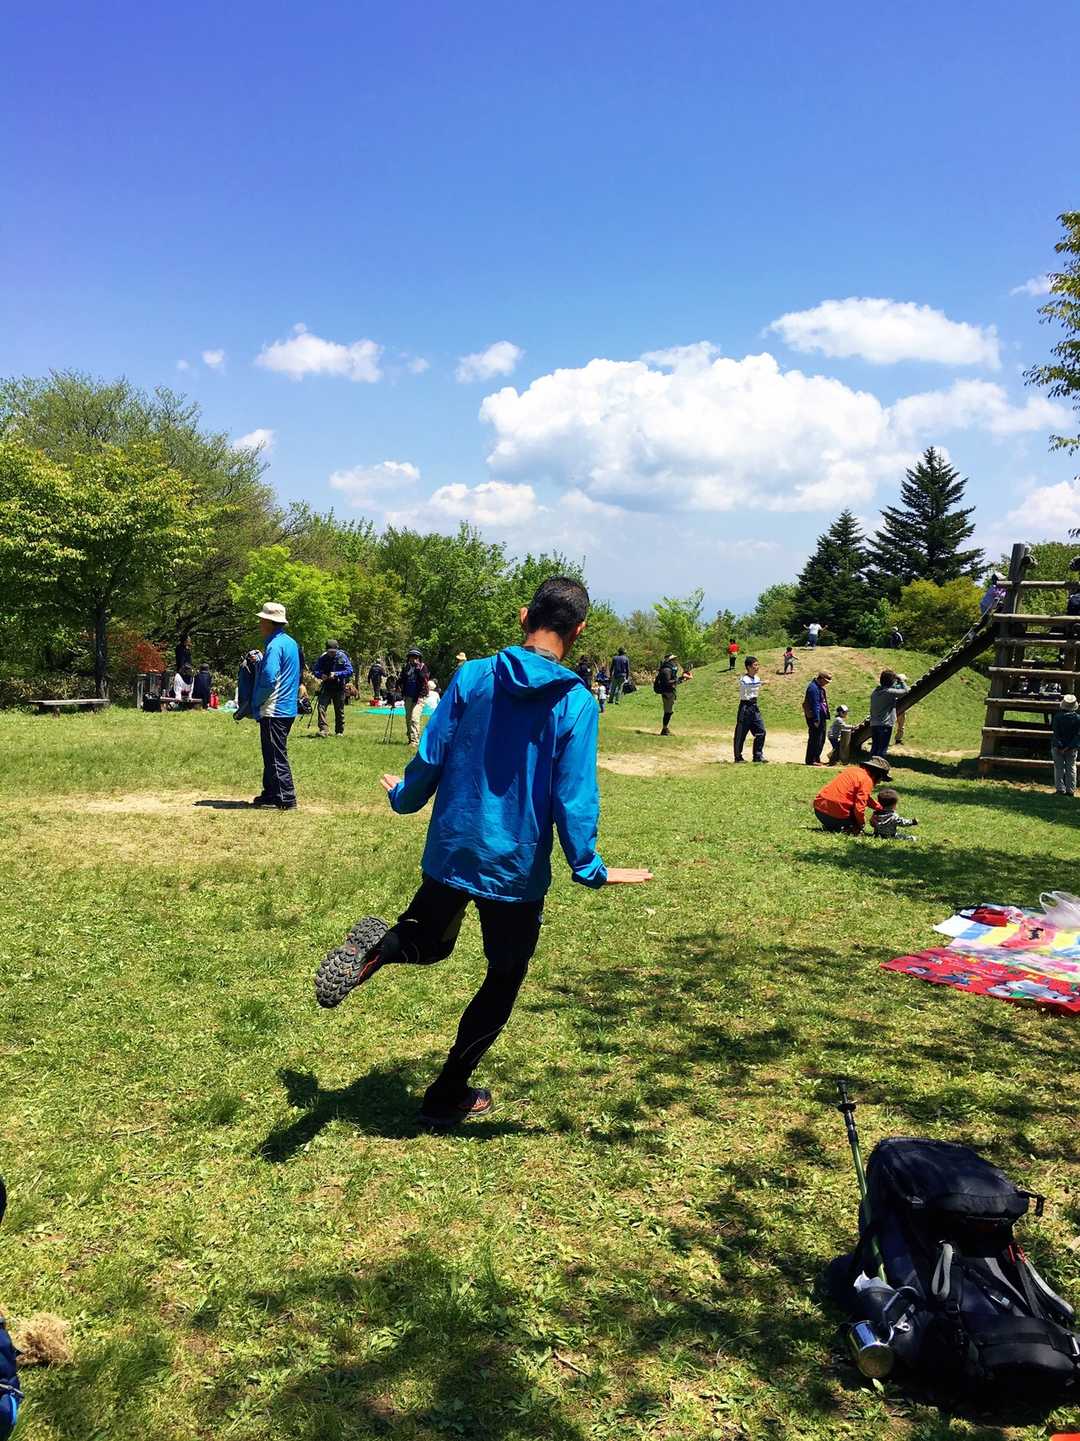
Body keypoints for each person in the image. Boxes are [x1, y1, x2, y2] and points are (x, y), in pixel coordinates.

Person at [314, 576, 653, 1127]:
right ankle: (448, 1092)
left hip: (454, 848)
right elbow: (574, 796)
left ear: (524, 617)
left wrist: (403, 798)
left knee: (427, 941)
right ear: (579, 631)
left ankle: (377, 951)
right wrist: (589, 867)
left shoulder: (472, 675)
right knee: (503, 977)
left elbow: (432, 753)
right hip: (515, 868)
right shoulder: (575, 701)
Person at [245, 601, 301, 810]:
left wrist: (256, 701)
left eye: (262, 620)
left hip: (274, 708)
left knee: (276, 755)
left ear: (269, 622)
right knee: (270, 754)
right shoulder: (290, 643)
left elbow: (269, 677)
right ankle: (270, 793)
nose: (260, 623)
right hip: (287, 707)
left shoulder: (274, 645)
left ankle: (286, 798)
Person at [812, 755, 890, 834]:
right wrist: (861, 824)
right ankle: (848, 828)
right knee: (855, 817)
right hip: (836, 814)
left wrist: (879, 807)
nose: (879, 782)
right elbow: (859, 808)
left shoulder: (852, 770)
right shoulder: (867, 780)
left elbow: (865, 797)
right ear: (878, 774)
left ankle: (832, 826)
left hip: (819, 809)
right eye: (881, 779)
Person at [313, 641, 354, 738]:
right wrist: (320, 675)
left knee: (339, 710)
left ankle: (339, 731)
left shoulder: (342, 657)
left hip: (339, 686)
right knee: (321, 707)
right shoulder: (323, 658)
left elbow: (350, 671)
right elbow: (315, 670)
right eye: (330, 651)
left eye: (334, 651)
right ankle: (323, 730)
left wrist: (336, 674)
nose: (332, 653)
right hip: (326, 686)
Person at [868, 669, 909, 758]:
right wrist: (901, 681)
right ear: (891, 682)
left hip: (874, 724)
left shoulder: (875, 691)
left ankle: (870, 763)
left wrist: (895, 680)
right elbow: (906, 690)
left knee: (875, 748)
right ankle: (879, 765)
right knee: (882, 750)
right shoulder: (889, 692)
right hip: (885, 725)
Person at [733, 655, 767, 762]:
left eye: (758, 665)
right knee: (741, 733)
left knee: (761, 731)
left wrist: (760, 682)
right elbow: (749, 685)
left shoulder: (757, 678)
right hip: (745, 707)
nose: (757, 667)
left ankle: (757, 756)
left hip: (754, 706)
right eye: (755, 665)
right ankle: (738, 757)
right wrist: (762, 683)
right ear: (748, 667)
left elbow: (756, 684)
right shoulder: (744, 679)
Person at [401, 648, 431, 746]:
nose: (413, 659)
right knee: (408, 718)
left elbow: (424, 678)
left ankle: (415, 741)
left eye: (415, 657)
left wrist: (418, 670)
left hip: (419, 697)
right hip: (408, 696)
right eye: (411, 657)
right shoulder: (406, 667)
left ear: (419, 658)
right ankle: (410, 739)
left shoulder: (423, 667)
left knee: (414, 717)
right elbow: (402, 679)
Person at [1052, 693, 1080, 797]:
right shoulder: (1078, 718)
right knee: (1071, 768)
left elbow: (1056, 733)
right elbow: (1078, 735)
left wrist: (1060, 746)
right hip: (1072, 747)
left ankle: (1060, 789)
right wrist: (1069, 746)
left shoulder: (1057, 717)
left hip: (1058, 747)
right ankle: (1071, 790)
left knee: (1058, 768)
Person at [803, 670, 831, 766]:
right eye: (826, 681)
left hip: (821, 716)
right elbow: (815, 705)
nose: (827, 683)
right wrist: (816, 719)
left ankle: (816, 758)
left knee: (821, 739)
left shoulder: (819, 688)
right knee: (814, 739)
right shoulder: (813, 688)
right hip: (815, 717)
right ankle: (811, 760)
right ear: (821, 678)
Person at [655, 653, 686, 736]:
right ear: (669, 661)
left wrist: (682, 679)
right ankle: (664, 729)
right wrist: (678, 679)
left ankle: (665, 729)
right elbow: (667, 682)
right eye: (673, 660)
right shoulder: (666, 670)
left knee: (669, 712)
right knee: (668, 712)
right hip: (667, 692)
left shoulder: (669, 669)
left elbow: (673, 681)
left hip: (669, 692)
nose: (675, 661)